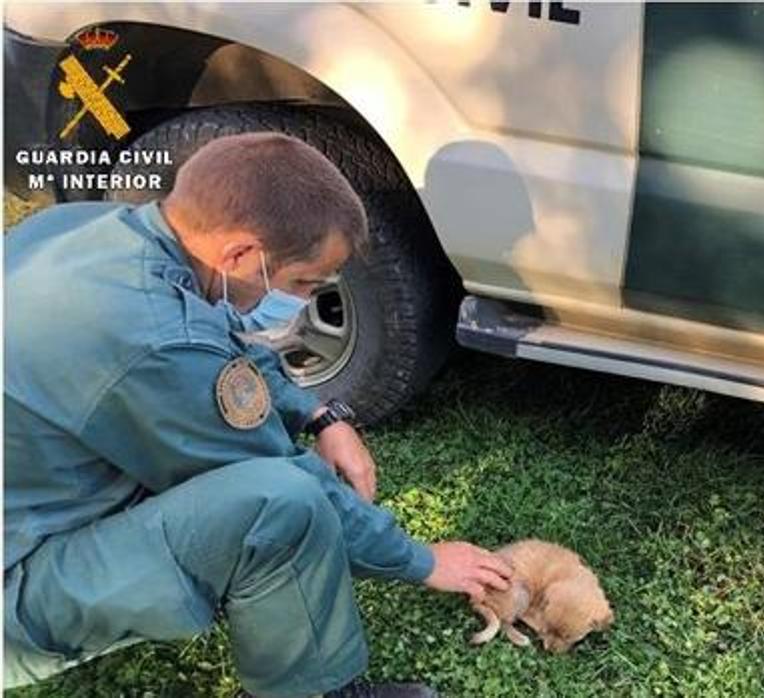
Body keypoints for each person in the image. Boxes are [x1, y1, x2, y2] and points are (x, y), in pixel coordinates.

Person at [3, 132, 513, 698]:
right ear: (241, 254)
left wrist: (321, 413)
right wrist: (421, 560)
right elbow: (289, 478)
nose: (299, 301)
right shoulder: (158, 342)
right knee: (281, 504)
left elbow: (224, 342)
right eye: (301, 283)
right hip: (16, 590)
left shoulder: (83, 229)